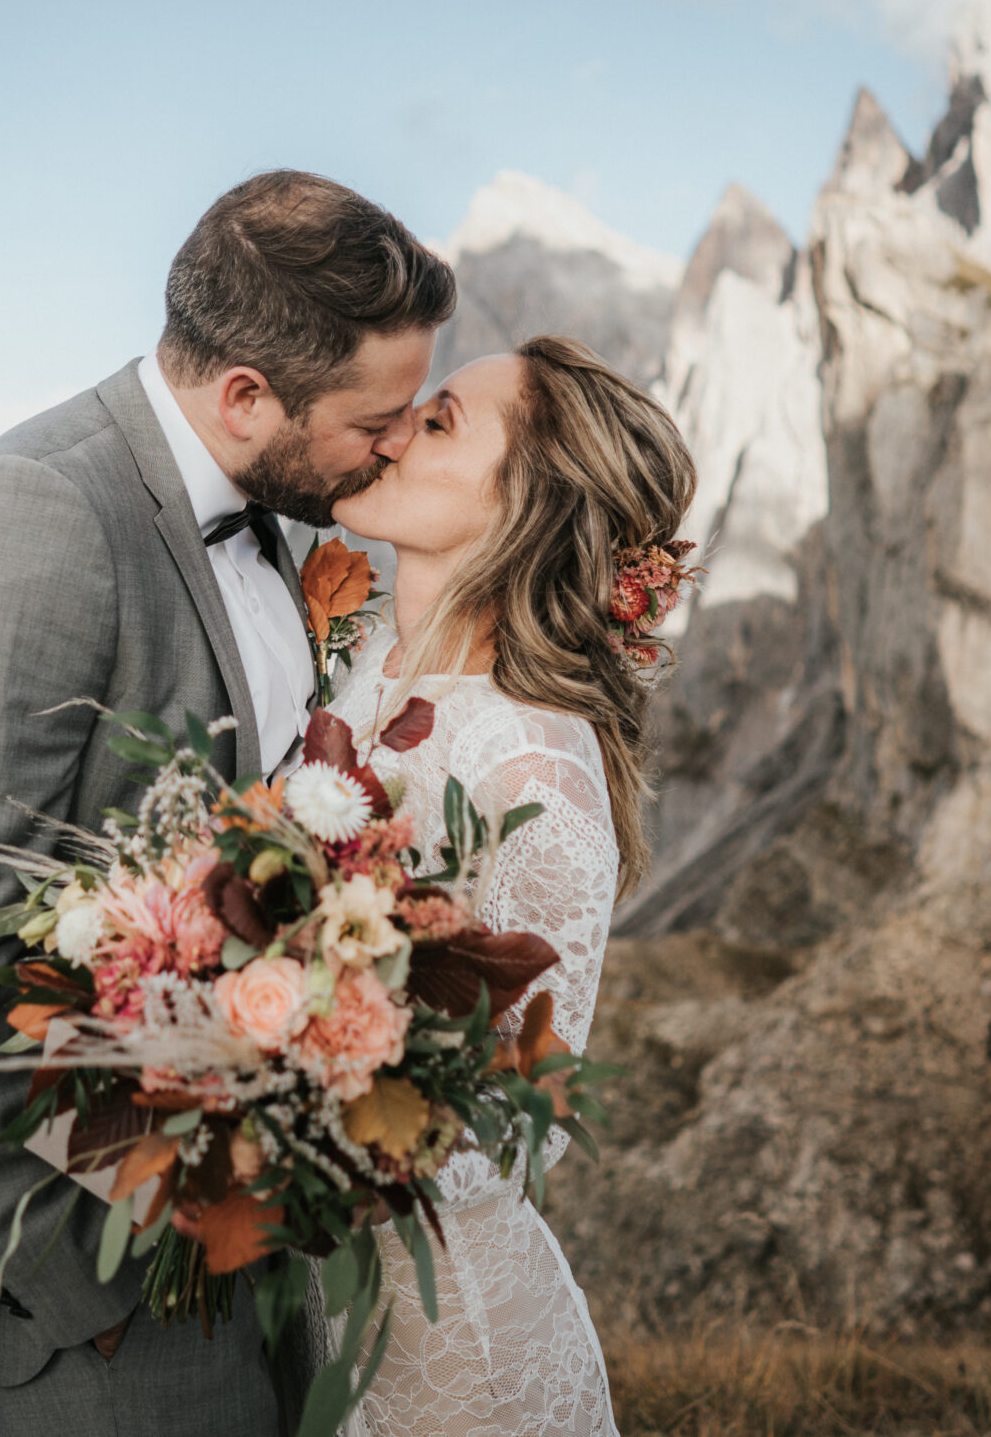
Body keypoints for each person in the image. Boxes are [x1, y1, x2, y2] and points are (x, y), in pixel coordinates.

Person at [0, 170, 456, 1437]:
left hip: (245, 1192)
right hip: (95, 1255)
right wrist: (92, 1266)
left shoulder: (270, 508)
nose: (393, 443)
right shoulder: (37, 514)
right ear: (246, 396)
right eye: (375, 418)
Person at [308, 334, 697, 1436]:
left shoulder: (531, 770)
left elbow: (524, 1130)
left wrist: (274, 1097)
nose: (392, 427)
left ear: (528, 505)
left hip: (451, 1364)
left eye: (436, 423)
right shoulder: (368, 649)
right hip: (318, 1311)